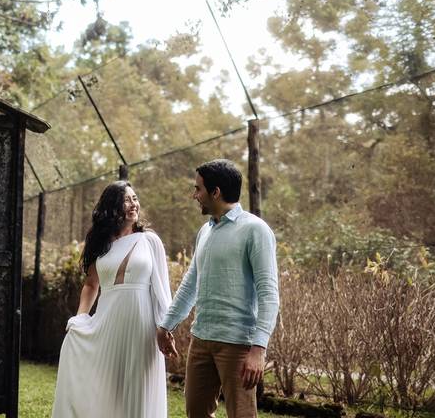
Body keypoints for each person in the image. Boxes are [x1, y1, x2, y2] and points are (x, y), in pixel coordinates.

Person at [156, 159, 279, 418]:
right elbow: (191, 283)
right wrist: (166, 325)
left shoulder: (255, 230)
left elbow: (269, 294)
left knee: (241, 415)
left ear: (216, 192)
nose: (195, 195)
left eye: (198, 189)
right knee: (196, 412)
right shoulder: (205, 231)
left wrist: (258, 349)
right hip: (201, 339)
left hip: (237, 344)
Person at [51, 180, 172, 418]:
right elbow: (91, 284)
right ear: (112, 206)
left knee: (139, 391)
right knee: (107, 390)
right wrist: (80, 317)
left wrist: (165, 327)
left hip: (142, 327)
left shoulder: (150, 241)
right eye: (126, 200)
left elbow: (162, 291)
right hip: (107, 324)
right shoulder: (101, 243)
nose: (133, 204)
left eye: (135, 198)